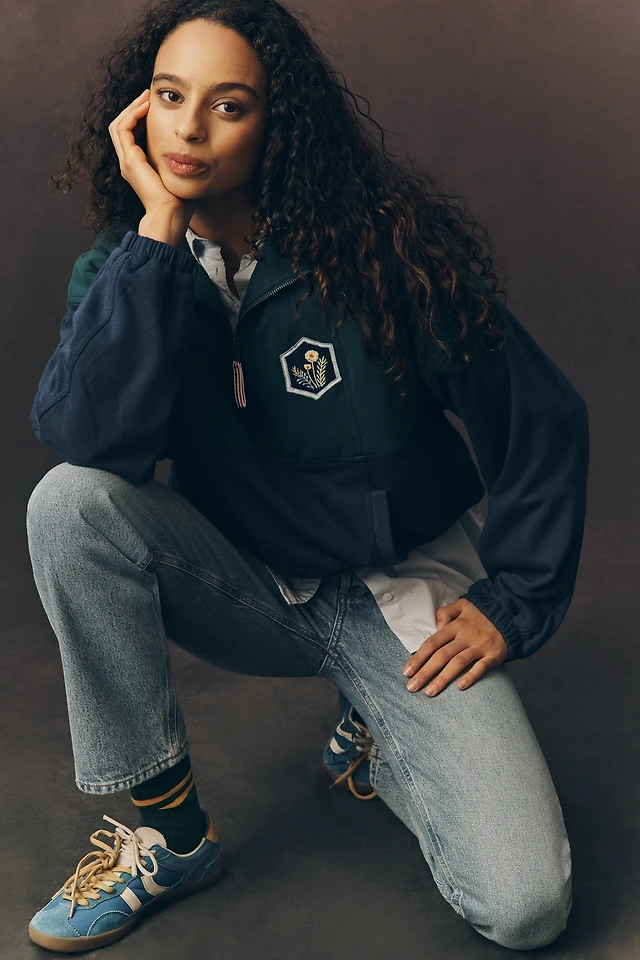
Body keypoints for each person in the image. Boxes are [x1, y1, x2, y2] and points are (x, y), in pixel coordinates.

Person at [25, 0, 589, 953]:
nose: (189, 130)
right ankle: (170, 837)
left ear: (275, 124)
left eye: (228, 105)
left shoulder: (378, 253)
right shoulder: (129, 268)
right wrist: (158, 232)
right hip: (248, 583)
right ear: (139, 112)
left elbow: (540, 415)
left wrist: (516, 596)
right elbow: (94, 443)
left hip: (397, 592)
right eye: (170, 97)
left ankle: (376, 727)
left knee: (526, 906)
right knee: (69, 505)